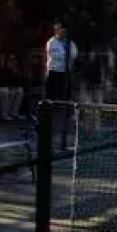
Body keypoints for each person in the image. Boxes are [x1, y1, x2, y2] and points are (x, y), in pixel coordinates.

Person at [42, 22, 77, 151]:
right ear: (56, 31)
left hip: (64, 72)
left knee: (65, 92)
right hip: (54, 71)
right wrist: (65, 56)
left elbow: (74, 53)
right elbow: (55, 56)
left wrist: (68, 57)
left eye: (64, 30)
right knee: (50, 94)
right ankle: (47, 110)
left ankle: (64, 109)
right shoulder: (51, 42)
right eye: (60, 30)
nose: (62, 32)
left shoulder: (68, 42)